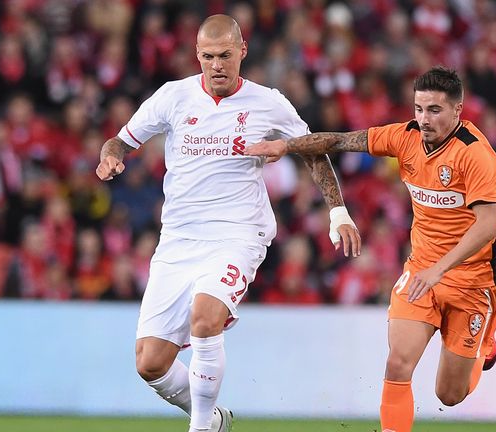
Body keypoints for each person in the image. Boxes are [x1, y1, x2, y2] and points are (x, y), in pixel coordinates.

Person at [95, 15, 360, 432]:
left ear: (242, 52)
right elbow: (122, 139)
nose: (216, 65)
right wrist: (110, 156)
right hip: (179, 239)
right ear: (196, 56)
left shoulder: (267, 102)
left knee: (206, 315)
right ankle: (214, 419)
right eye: (207, 57)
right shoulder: (173, 97)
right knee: (149, 364)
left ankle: (200, 428)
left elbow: (312, 149)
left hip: (238, 233)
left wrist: (337, 210)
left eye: (224, 55)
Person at [245, 66, 496, 432]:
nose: (423, 118)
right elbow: (339, 141)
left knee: (449, 395)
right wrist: (287, 145)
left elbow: (489, 224)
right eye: (419, 108)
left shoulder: (475, 155)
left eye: (434, 110)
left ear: (458, 110)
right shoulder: (404, 137)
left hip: (472, 281)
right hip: (421, 271)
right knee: (397, 365)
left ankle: (484, 345)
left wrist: (442, 268)